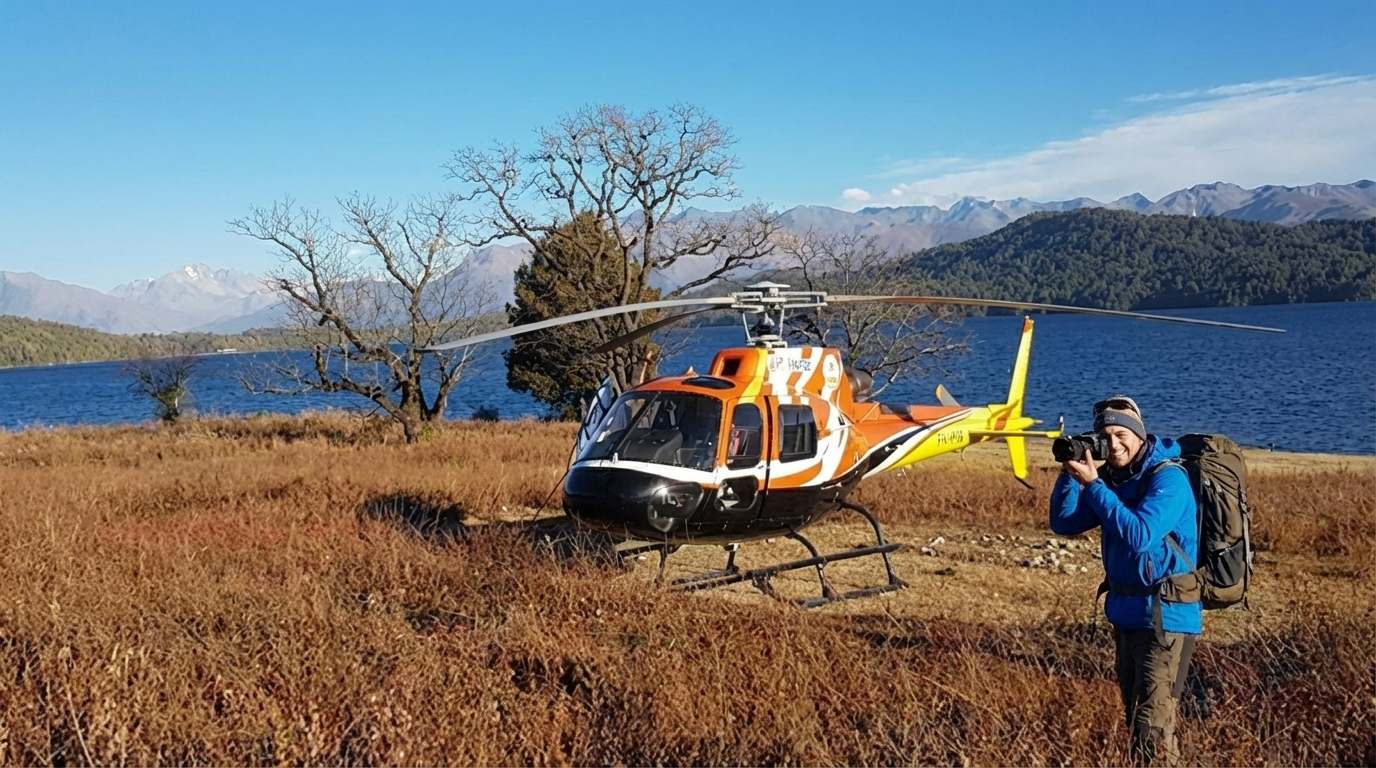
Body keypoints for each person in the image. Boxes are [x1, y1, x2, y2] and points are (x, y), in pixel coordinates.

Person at [1049, 396, 1200, 766]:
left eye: (1121, 434)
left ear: (1139, 435)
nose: (1113, 444)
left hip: (1166, 619)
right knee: (1139, 722)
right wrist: (1071, 475)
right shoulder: (1114, 481)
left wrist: (1094, 485)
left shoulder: (1169, 478)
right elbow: (1064, 522)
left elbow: (1141, 535)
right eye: (1105, 436)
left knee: (1153, 729)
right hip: (1127, 615)